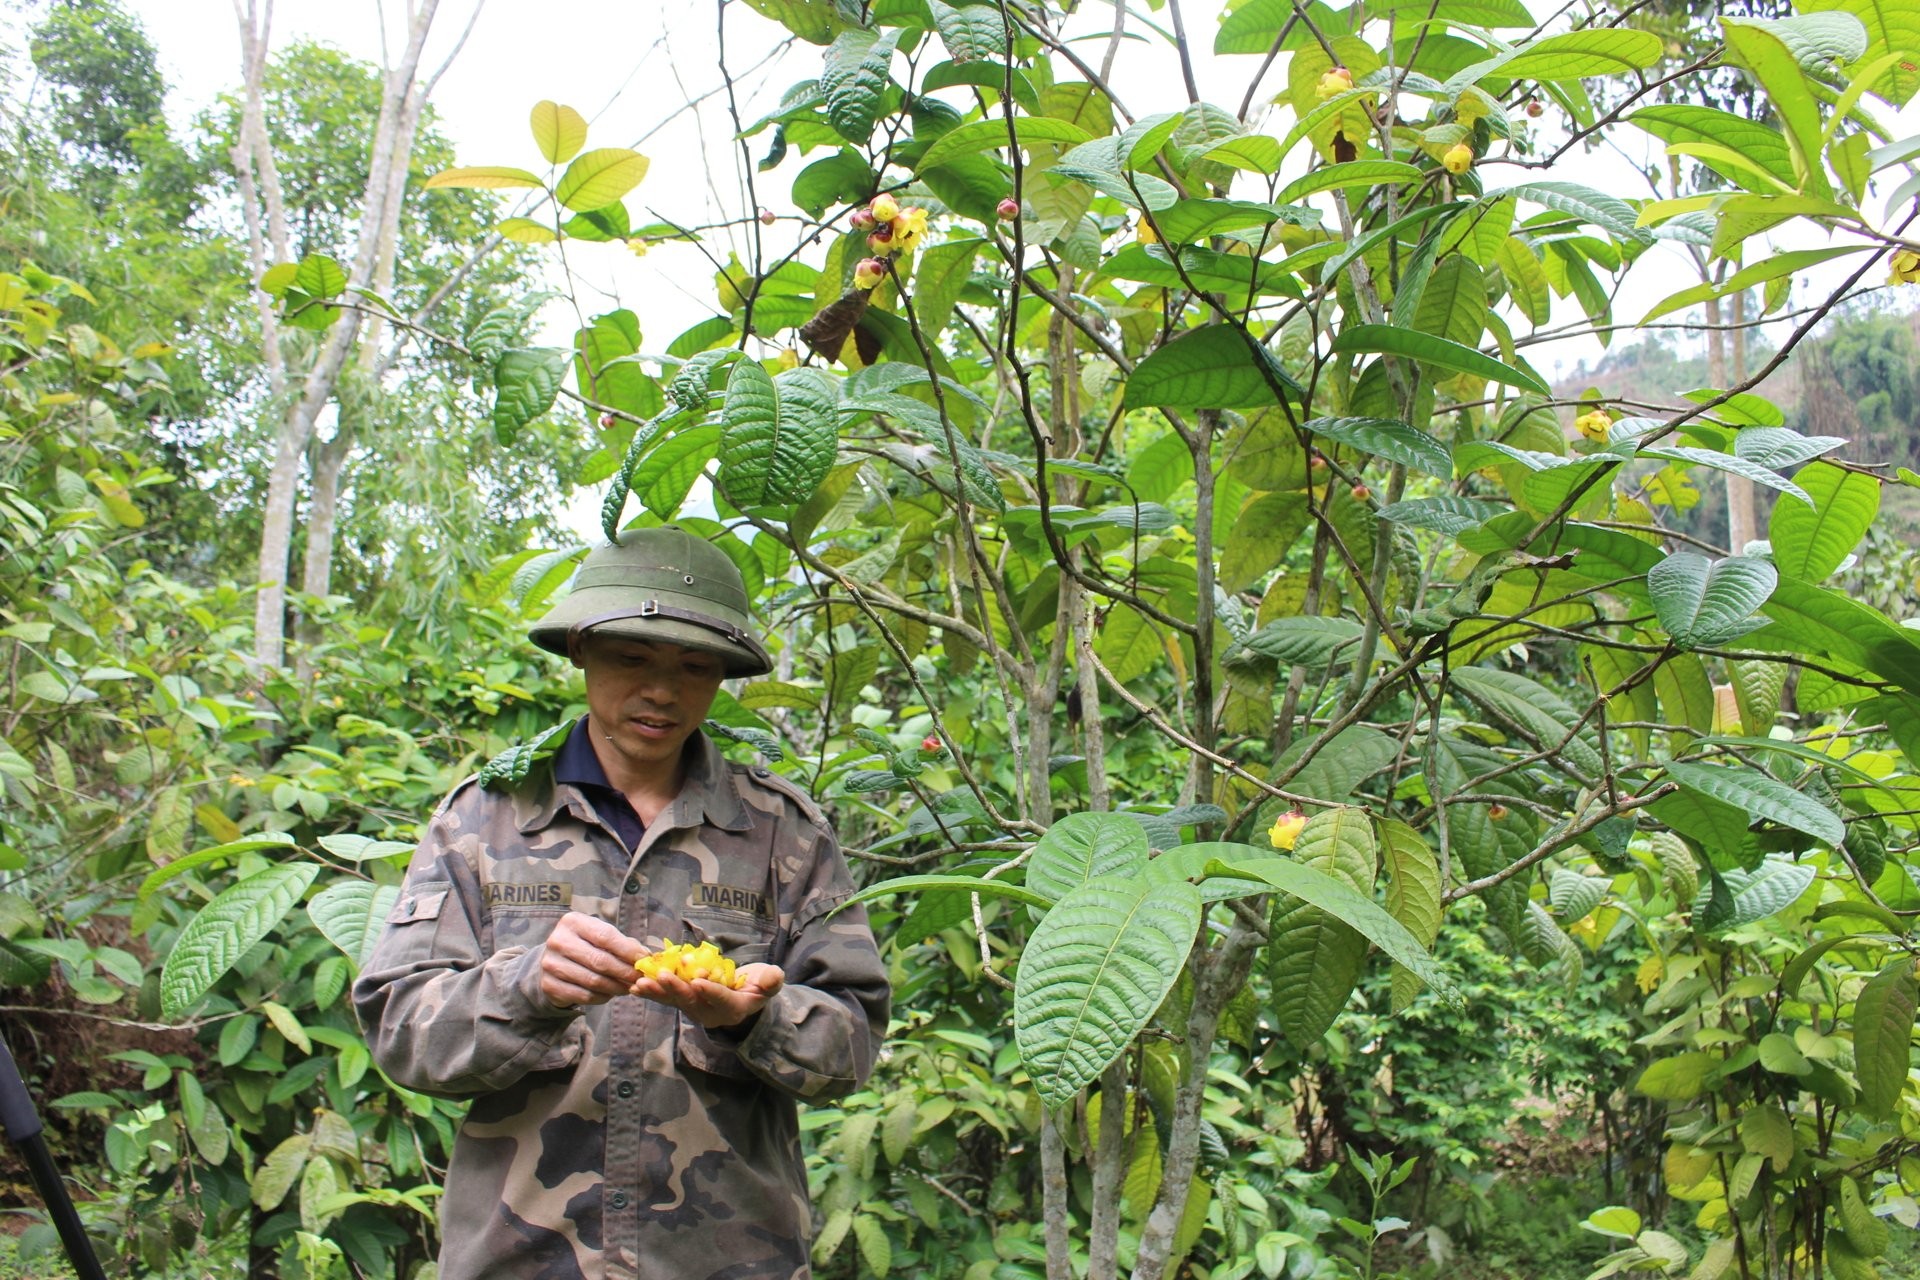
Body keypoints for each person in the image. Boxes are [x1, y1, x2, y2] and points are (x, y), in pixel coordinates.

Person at [353, 526, 891, 1280]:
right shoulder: (483, 819)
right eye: (632, 657)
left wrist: (759, 1018)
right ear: (581, 648)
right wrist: (526, 987)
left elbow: (854, 1042)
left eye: (694, 666)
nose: (663, 690)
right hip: (520, 1261)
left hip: (731, 1260)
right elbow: (400, 1029)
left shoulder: (782, 833)